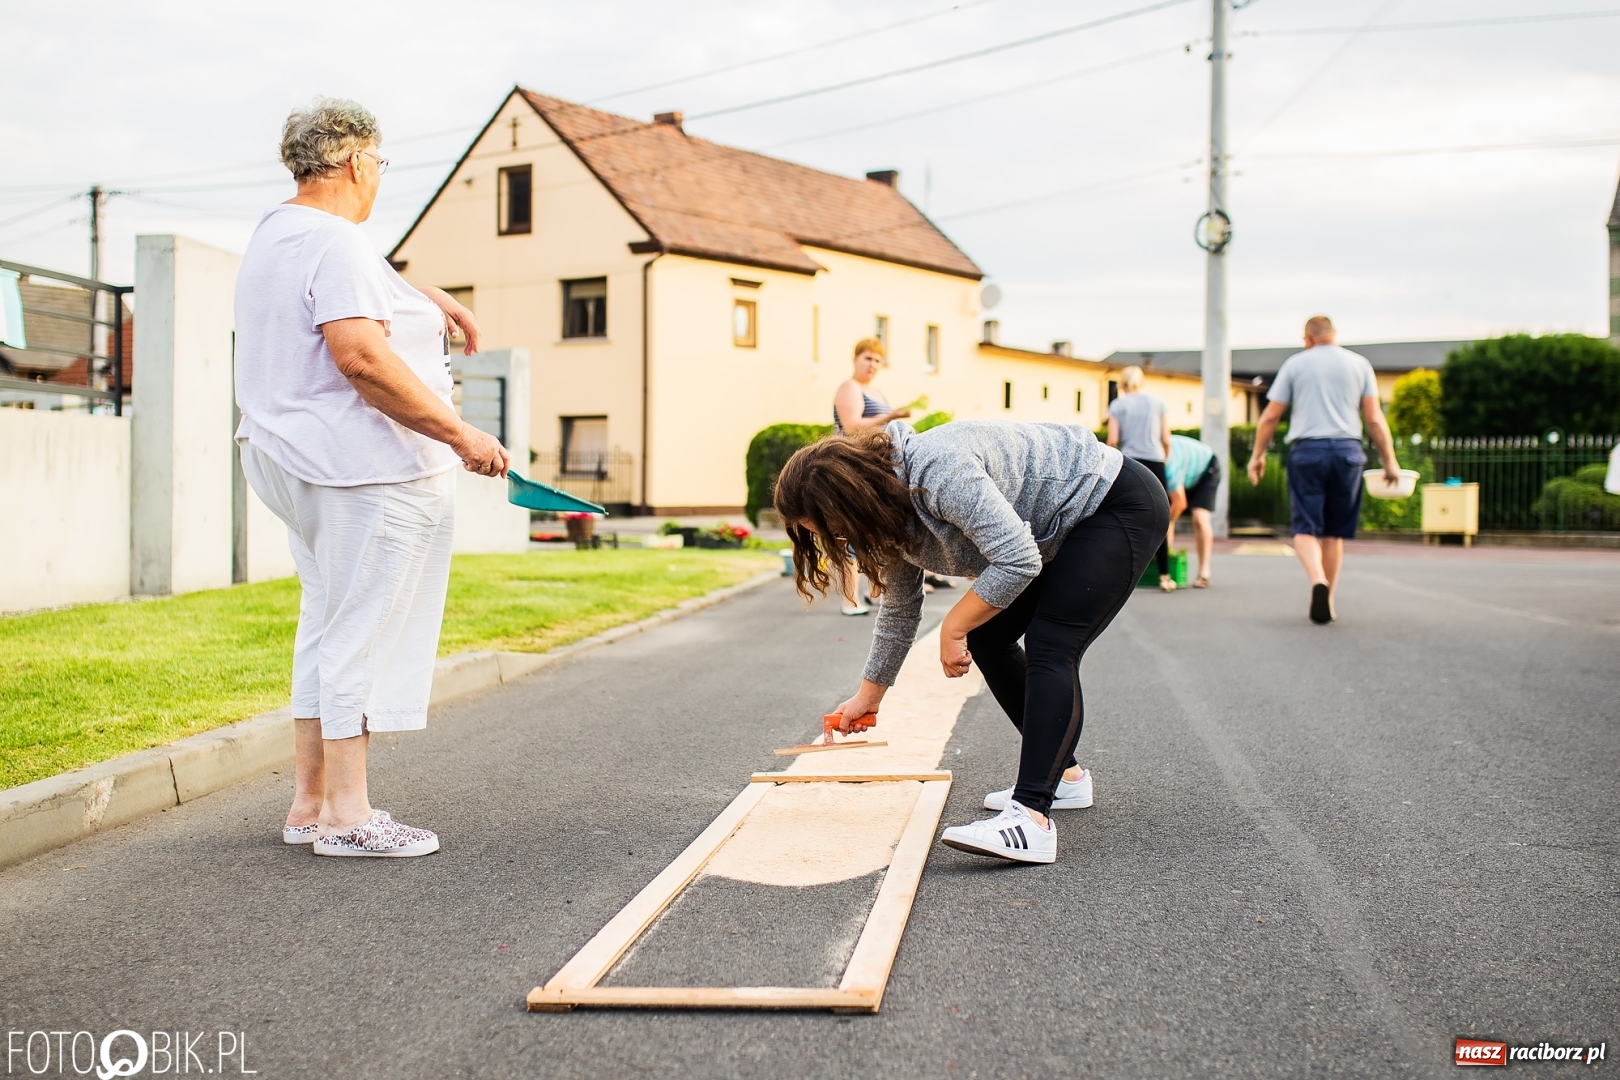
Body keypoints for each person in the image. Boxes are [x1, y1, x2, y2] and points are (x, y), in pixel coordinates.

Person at [235, 98, 510, 858]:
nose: (378, 178)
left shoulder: (278, 234)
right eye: (379, 164)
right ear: (357, 161)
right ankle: (349, 818)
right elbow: (360, 355)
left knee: (326, 624)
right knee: (362, 630)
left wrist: (421, 295)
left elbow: (344, 295)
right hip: (361, 472)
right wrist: (460, 434)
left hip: (290, 458)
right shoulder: (337, 243)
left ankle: (310, 804)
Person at [774, 420, 1168, 865]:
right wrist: (869, 695)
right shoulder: (885, 513)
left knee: (1051, 642)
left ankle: (1031, 819)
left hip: (1113, 503)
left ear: (853, 499)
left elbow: (1017, 559)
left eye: (834, 527)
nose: (837, 541)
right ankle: (1065, 778)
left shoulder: (939, 472)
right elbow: (901, 609)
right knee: (990, 633)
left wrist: (952, 626)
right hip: (1057, 532)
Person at [1248, 315, 1400, 624]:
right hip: (1348, 452)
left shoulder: (1295, 364)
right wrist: (1390, 460)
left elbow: (1270, 416)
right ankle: (1327, 599)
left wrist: (1257, 456)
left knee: (1305, 528)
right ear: (1333, 334)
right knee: (1334, 533)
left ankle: (1318, 580)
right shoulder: (1360, 365)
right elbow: (1374, 418)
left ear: (1307, 338)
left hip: (1308, 452)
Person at [831, 337, 912, 616]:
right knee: (851, 535)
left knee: (876, 534)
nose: (872, 364)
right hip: (849, 471)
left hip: (872, 471)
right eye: (868, 358)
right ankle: (849, 600)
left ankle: (875, 594)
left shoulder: (876, 391)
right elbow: (852, 427)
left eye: (877, 360)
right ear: (855, 359)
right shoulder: (849, 388)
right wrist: (892, 415)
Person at [1106, 366, 1175, 591]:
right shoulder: (1158, 402)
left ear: (1123, 384)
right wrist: (1164, 458)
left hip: (1131, 464)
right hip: (1156, 462)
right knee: (1161, 517)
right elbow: (1166, 438)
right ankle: (1164, 576)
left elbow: (1113, 440)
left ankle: (1120, 578)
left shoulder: (1118, 405)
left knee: (1124, 518)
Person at [1164, 434, 1220, 588]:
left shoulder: (1170, 466)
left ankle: (1204, 571)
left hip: (1206, 467)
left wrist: (1164, 524)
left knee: (1199, 517)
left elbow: (1180, 504)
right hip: (1186, 474)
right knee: (1166, 511)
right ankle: (1166, 567)